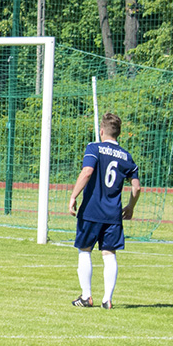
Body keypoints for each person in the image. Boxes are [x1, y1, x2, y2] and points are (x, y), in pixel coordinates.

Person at [69, 112, 141, 309]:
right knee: (109, 254)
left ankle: (86, 296)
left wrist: (74, 196)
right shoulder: (127, 157)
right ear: (118, 133)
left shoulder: (94, 148)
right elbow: (136, 188)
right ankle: (107, 299)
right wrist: (131, 207)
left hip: (91, 211)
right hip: (113, 214)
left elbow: (87, 171)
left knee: (84, 250)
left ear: (102, 131)